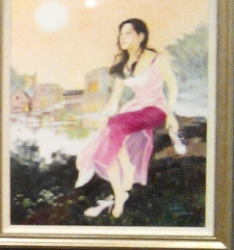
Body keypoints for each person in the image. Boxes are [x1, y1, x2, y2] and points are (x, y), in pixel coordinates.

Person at [75, 18, 187, 219]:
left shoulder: (156, 59)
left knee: (113, 127)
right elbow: (115, 97)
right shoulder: (122, 64)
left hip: (155, 108)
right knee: (108, 129)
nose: (122, 38)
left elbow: (173, 88)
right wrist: (105, 114)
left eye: (127, 33)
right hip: (134, 108)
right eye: (121, 34)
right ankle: (120, 193)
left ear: (140, 36)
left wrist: (170, 113)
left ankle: (126, 169)